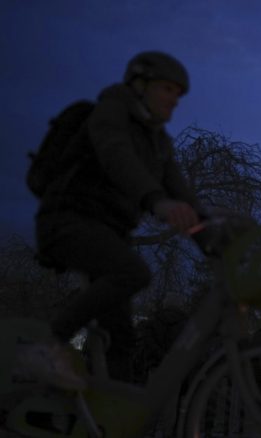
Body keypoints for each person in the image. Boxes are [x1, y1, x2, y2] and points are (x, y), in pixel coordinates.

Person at [28, 51, 198, 389]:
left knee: (121, 335)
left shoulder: (157, 140)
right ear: (140, 85)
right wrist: (155, 200)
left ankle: (113, 415)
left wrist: (221, 230)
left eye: (178, 94)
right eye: (166, 89)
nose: (173, 100)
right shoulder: (112, 112)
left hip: (108, 233)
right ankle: (47, 346)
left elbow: (182, 193)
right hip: (68, 221)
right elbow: (116, 156)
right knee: (132, 272)